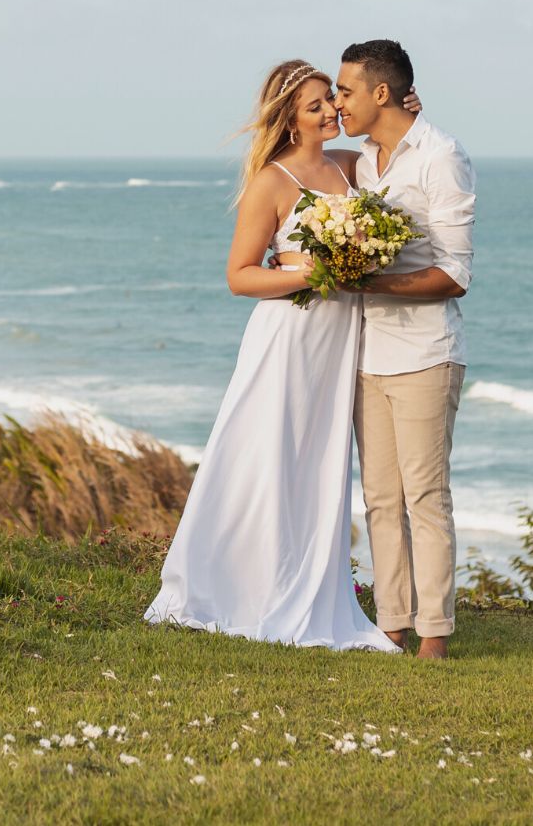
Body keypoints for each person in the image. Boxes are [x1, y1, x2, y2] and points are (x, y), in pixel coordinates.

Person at [143, 59, 416, 650]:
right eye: (316, 104)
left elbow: (390, 148)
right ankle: (242, 584)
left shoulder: (348, 167)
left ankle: (308, 584)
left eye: (331, 101)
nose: (330, 111)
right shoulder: (272, 180)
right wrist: (311, 272)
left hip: (337, 341)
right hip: (287, 337)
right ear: (291, 118)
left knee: (317, 462)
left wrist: (405, 116)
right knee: (266, 452)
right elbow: (240, 277)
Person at [333, 39, 474, 661]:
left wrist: (370, 282)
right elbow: (302, 155)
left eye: (344, 92)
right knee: (380, 499)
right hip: (367, 356)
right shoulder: (362, 162)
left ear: (380, 93)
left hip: (425, 354)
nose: (337, 103)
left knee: (426, 497)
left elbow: (455, 274)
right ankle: (390, 626)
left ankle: (434, 636)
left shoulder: (441, 157)